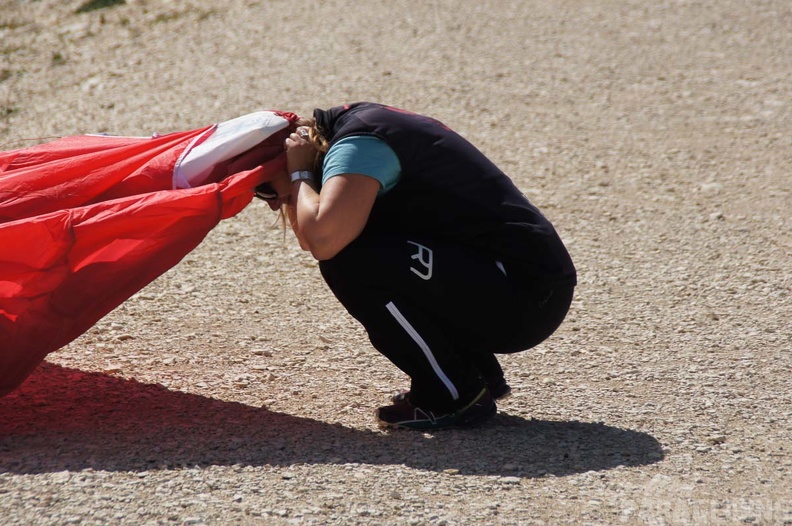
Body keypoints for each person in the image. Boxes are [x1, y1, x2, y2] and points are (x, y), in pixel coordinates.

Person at [255, 102, 576, 431]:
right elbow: (312, 237)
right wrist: (296, 176)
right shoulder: (353, 129)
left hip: (527, 297)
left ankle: (453, 394)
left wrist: (299, 174)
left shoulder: (359, 144)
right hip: (514, 282)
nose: (271, 203)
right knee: (362, 243)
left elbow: (322, 240)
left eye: (265, 188)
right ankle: (473, 374)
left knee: (351, 258)